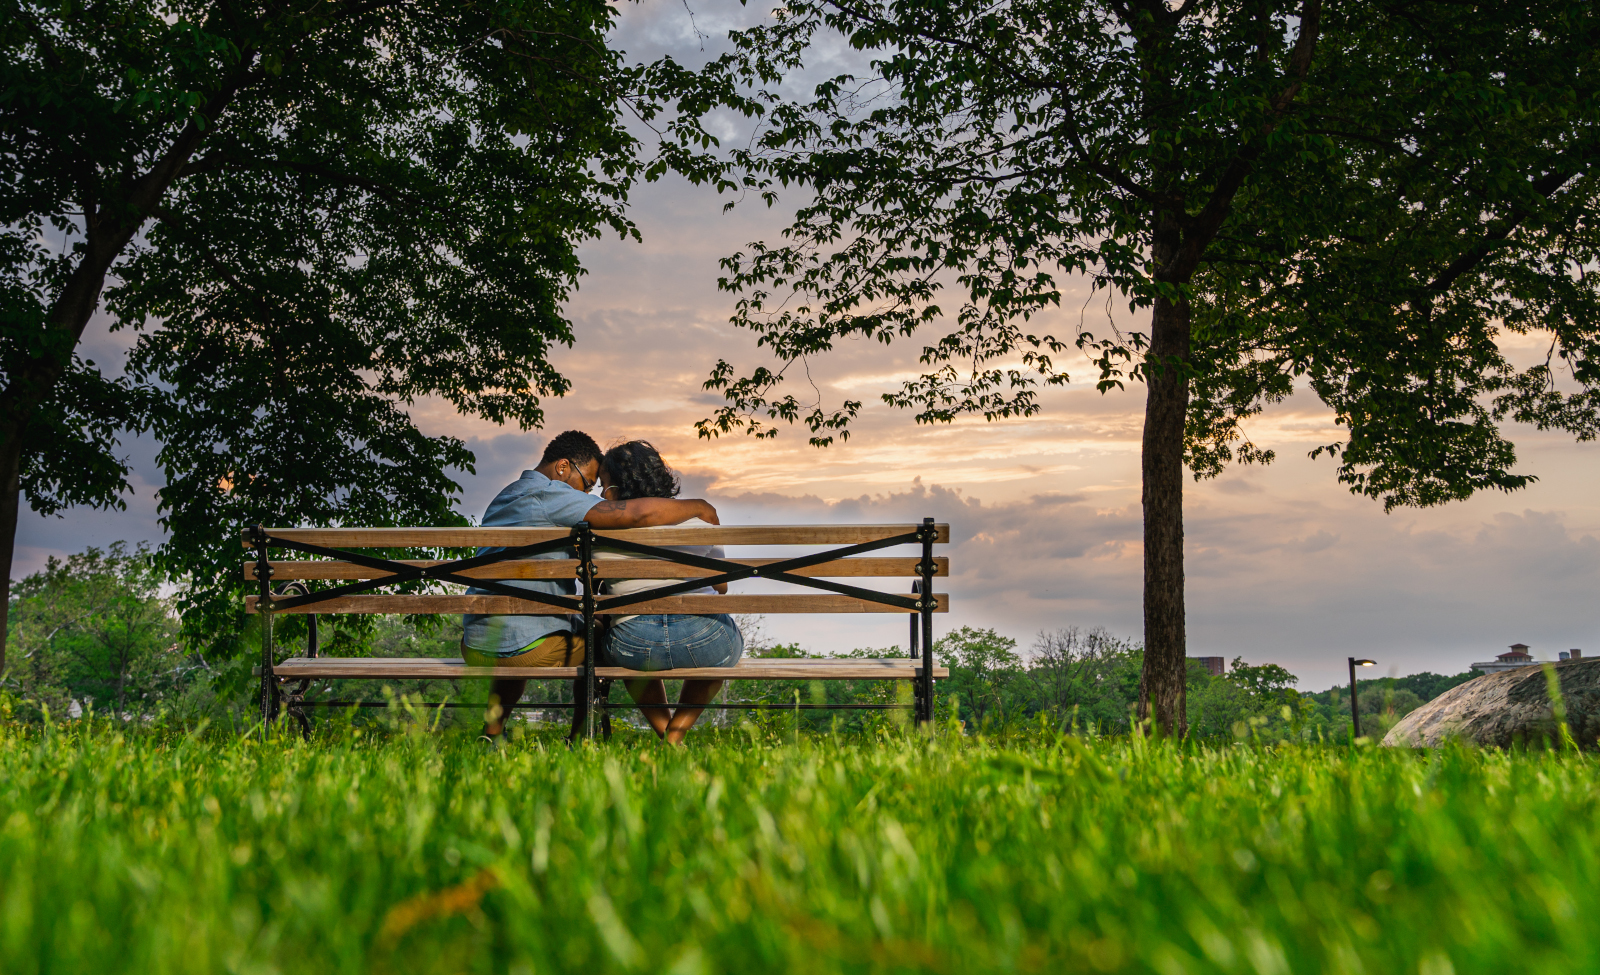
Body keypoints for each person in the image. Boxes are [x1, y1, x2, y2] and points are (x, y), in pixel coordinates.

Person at [462, 431, 719, 743]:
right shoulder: (552, 496)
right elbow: (637, 514)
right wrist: (698, 506)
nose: (587, 495)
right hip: (523, 649)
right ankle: (581, 738)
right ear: (562, 468)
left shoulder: (506, 496)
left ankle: (492, 734)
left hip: (477, 643)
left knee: (533, 625)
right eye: (587, 484)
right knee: (605, 638)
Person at [594, 440, 743, 744]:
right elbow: (722, 586)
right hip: (707, 642)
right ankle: (675, 735)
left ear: (620, 487)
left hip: (633, 646)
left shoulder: (598, 531)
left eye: (605, 485)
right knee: (725, 652)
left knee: (621, 648)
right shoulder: (701, 521)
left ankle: (668, 735)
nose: (601, 494)